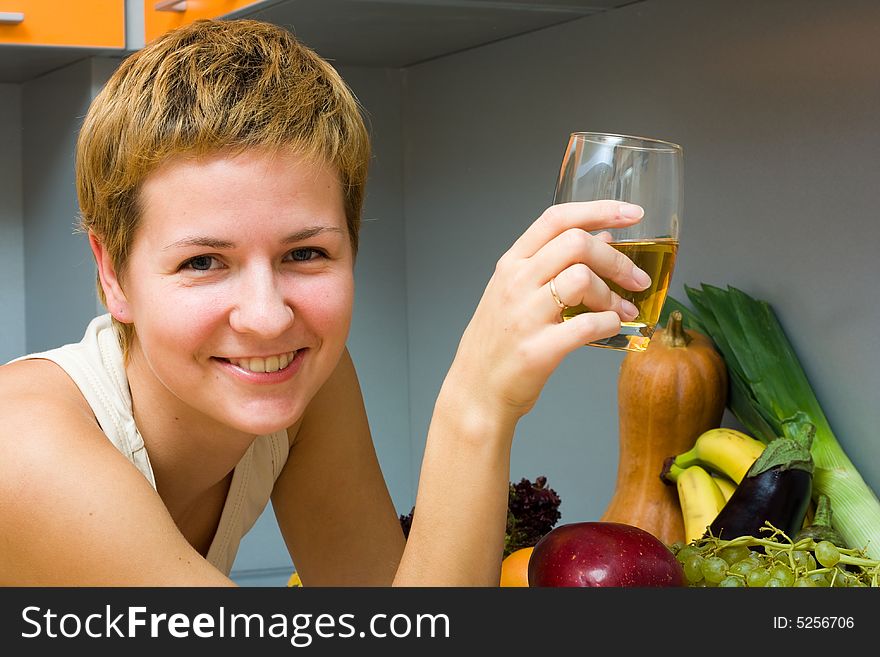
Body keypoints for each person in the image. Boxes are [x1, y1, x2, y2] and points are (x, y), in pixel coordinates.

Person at [0, 19, 649, 586]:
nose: (267, 316)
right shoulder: (23, 449)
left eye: (304, 253)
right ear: (112, 276)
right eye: (202, 262)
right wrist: (475, 405)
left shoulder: (303, 383)